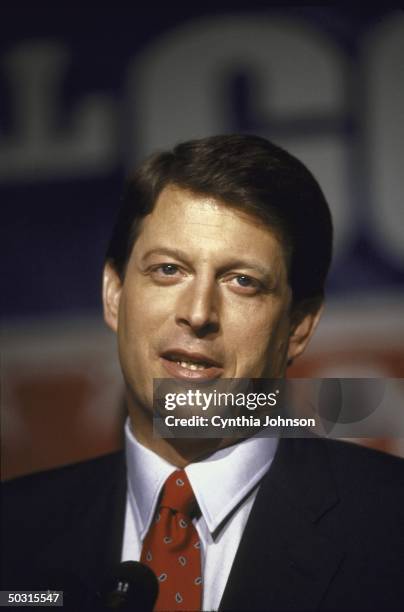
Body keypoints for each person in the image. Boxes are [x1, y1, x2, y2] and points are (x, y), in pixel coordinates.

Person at [1, 134, 403, 611]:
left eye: (242, 282)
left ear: (298, 326)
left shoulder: (390, 524)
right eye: (169, 270)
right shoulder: (13, 532)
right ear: (114, 294)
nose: (198, 313)